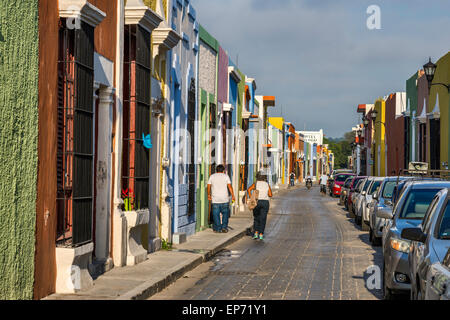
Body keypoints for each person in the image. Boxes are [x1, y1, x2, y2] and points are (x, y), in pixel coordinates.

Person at [207, 165, 235, 233]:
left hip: (215, 199)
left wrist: (208, 194)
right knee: (225, 214)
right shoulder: (226, 176)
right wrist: (233, 195)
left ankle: (217, 228)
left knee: (216, 215)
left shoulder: (212, 176)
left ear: (216, 170)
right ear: (223, 170)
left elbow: (208, 186)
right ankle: (224, 227)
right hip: (225, 199)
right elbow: (230, 187)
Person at [246, 172, 273, 241]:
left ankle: (256, 233)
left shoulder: (255, 184)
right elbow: (270, 194)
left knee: (256, 218)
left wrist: (251, 197)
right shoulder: (267, 184)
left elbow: (249, 189)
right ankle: (261, 234)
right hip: (265, 203)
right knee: (263, 218)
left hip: (257, 202)